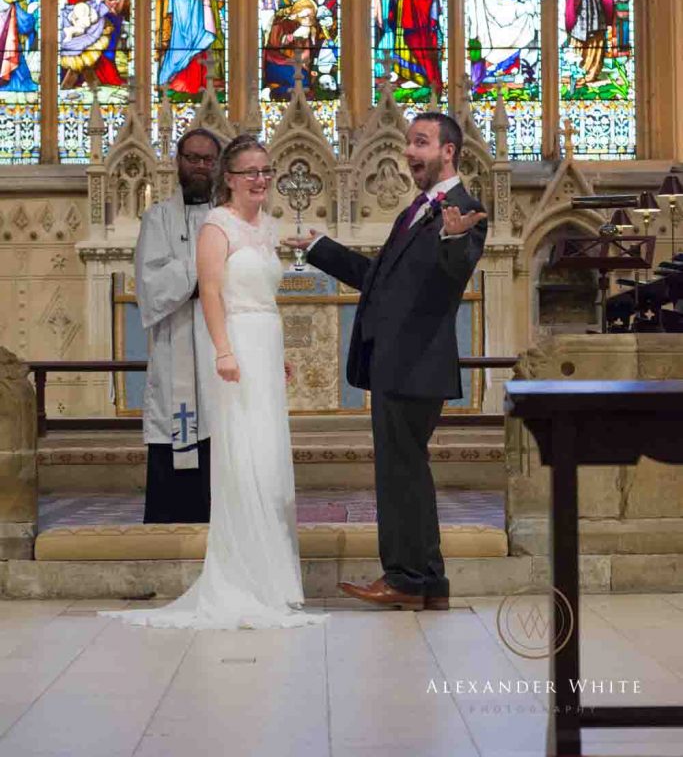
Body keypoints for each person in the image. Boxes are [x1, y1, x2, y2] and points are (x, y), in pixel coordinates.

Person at [103, 135, 326, 630]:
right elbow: (201, 289)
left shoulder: (265, 226)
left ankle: (273, 575)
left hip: (261, 348)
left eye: (266, 170)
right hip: (222, 351)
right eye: (249, 171)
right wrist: (225, 346)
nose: (260, 179)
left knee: (268, 463)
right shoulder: (197, 224)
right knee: (241, 462)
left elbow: (263, 295)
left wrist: (278, 352)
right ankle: (240, 572)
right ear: (228, 176)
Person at [284, 113, 487, 611]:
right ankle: (427, 582)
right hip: (398, 363)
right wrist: (318, 248)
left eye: (421, 142)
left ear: (448, 152)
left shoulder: (462, 211)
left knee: (402, 473)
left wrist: (452, 239)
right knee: (405, 470)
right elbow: (380, 278)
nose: (410, 152)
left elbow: (451, 279)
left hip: (416, 362)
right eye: (408, 143)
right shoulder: (418, 208)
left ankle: (406, 577)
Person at [135, 128, 221, 524]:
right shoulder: (157, 219)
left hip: (220, 350)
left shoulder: (227, 219)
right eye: (193, 158)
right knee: (176, 431)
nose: (200, 166)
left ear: (219, 165)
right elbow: (151, 286)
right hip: (177, 347)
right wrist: (202, 272)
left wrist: (192, 276)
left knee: (221, 439)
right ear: (178, 161)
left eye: (207, 159)